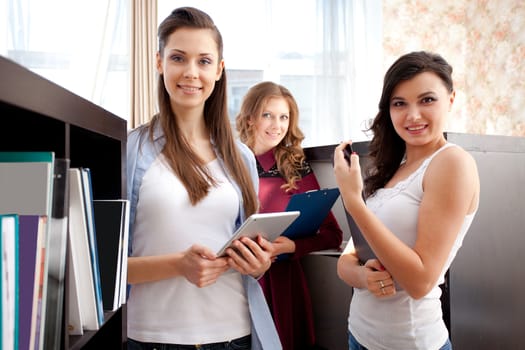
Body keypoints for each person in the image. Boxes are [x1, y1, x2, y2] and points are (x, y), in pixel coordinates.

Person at [126, 7, 281, 350]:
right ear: (159, 62)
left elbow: (248, 253)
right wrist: (178, 265)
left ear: (219, 69)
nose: (191, 73)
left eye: (204, 61)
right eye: (178, 58)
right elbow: (103, 270)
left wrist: (257, 263)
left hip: (234, 334)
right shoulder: (129, 151)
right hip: (153, 338)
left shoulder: (240, 157)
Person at [333, 51, 480, 350]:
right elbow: (348, 259)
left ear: (450, 100)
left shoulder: (452, 163)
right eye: (400, 103)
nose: (412, 116)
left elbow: (420, 282)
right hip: (359, 336)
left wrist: (354, 202)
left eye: (427, 100)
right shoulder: (393, 170)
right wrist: (363, 276)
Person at [236, 81, 343, 350]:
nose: (277, 125)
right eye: (267, 115)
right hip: (236, 282)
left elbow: (333, 235)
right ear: (250, 118)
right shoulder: (228, 163)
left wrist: (294, 246)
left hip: (285, 285)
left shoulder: (295, 166)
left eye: (284, 117)